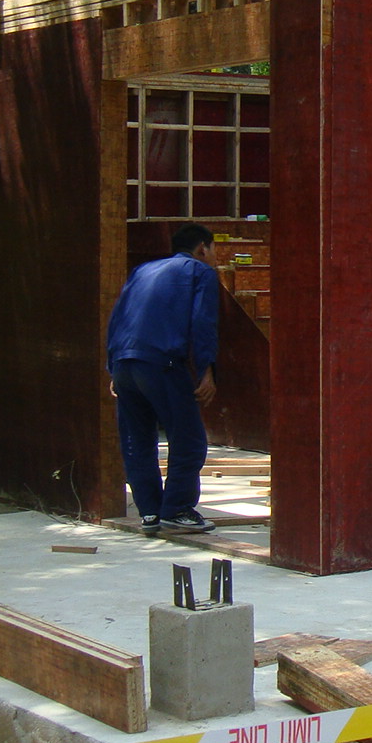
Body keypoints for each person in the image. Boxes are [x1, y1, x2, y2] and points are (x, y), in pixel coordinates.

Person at [106, 222, 219, 534]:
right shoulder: (200, 272)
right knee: (189, 439)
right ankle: (178, 508)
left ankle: (150, 512)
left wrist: (113, 366)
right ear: (202, 249)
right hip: (162, 363)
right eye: (214, 250)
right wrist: (207, 370)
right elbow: (203, 322)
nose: (215, 258)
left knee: (137, 440)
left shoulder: (142, 271)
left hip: (125, 361)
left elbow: (117, 317)